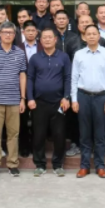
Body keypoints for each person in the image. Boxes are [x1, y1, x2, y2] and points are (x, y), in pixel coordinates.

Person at [71, 25, 105, 179]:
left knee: (100, 134)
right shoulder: (79, 54)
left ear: (99, 36)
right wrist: (74, 99)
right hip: (83, 96)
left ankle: (100, 166)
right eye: (88, 34)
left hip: (101, 97)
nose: (91, 36)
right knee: (84, 134)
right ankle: (84, 166)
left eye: (94, 34)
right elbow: (74, 78)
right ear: (84, 37)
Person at [0, 22, 27, 177]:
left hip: (14, 100)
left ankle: (12, 163)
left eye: (11, 33)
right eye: (5, 32)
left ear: (15, 35)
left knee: (13, 134)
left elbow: (22, 76)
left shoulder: (20, 53)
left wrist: (23, 98)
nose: (8, 35)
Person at [27, 28, 71, 177]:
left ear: (55, 39)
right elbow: (30, 79)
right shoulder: (35, 58)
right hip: (39, 103)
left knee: (59, 134)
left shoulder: (63, 57)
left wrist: (66, 97)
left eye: (49, 37)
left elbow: (67, 78)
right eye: (44, 37)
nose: (46, 39)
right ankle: (40, 164)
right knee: (38, 135)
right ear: (40, 40)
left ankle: (58, 164)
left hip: (59, 103)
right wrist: (30, 98)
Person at [19, 20, 40, 158]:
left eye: (33, 30)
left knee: (38, 121)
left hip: (40, 87)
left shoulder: (43, 46)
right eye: (28, 31)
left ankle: (36, 146)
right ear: (23, 32)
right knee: (22, 120)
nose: (31, 33)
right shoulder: (17, 48)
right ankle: (24, 147)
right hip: (22, 88)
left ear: (37, 32)